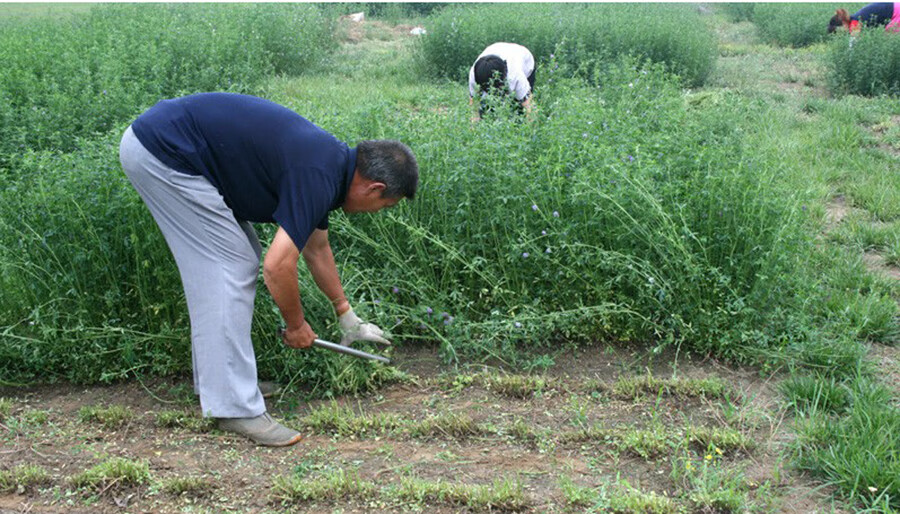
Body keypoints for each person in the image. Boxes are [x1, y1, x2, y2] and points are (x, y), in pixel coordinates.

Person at [119, 93, 418, 446]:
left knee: (236, 257)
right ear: (374, 188)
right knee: (230, 264)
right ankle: (235, 408)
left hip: (172, 147)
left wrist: (347, 318)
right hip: (164, 152)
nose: (378, 212)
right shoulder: (317, 173)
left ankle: (224, 385)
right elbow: (277, 268)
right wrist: (296, 326)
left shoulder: (331, 167)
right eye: (386, 205)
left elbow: (316, 249)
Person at [468, 42, 536, 121]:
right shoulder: (475, 75)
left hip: (523, 57)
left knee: (519, 110)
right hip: (496, 49)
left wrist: (528, 131)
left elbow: (529, 108)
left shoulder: (516, 76)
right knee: (486, 111)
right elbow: (474, 107)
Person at [828, 3, 900, 34]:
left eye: (839, 31)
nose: (841, 34)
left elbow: (853, 44)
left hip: (896, 12)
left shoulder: (855, 23)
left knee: (889, 38)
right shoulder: (856, 18)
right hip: (895, 8)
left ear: (843, 23)